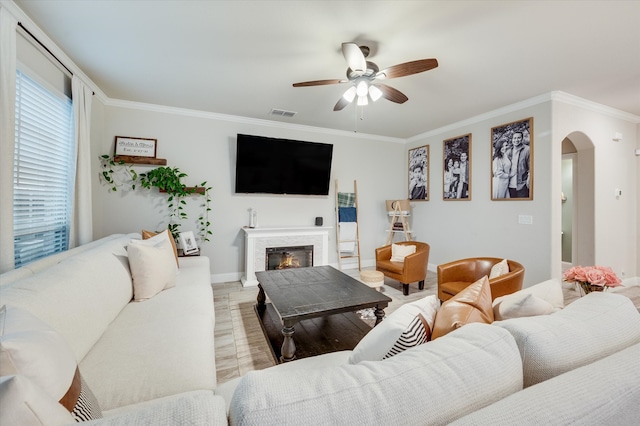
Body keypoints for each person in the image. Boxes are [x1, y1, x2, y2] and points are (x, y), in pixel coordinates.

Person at [508, 131, 530, 198]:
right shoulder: (508, 151)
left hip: (522, 185)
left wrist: (528, 182)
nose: (516, 140)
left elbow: (531, 168)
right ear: (512, 139)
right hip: (509, 185)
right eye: (514, 138)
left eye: (518, 138)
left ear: (522, 139)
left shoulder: (527, 150)